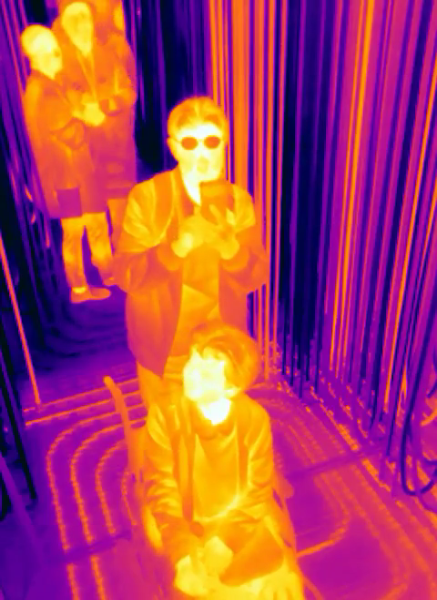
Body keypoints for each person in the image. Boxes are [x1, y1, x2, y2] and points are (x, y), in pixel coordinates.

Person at [113, 96, 268, 409]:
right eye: (189, 142)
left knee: (215, 423)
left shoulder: (238, 201)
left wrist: (230, 248)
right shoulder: (148, 198)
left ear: (224, 143)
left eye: (211, 141)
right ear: (174, 148)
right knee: (165, 426)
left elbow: (255, 277)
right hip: (164, 347)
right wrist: (178, 247)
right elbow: (127, 275)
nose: (202, 154)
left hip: (221, 348)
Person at [141, 322, 305, 599]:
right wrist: (182, 554)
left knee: (282, 585)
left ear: (231, 388)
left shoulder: (254, 419)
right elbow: (162, 488)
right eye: (192, 360)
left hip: (240, 522)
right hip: (184, 526)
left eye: (206, 373)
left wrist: (227, 539)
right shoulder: (165, 414)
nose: (191, 373)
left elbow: (257, 491)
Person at [21, 24, 112, 303]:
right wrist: (87, 117)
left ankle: (108, 272)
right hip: (67, 181)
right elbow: (74, 134)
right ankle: (80, 289)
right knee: (74, 232)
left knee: (95, 223)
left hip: (76, 175)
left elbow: (75, 98)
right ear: (39, 55)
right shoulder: (44, 92)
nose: (58, 54)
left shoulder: (48, 85)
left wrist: (79, 108)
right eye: (53, 50)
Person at [54, 0, 137, 246]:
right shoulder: (60, 64)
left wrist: (103, 107)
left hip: (117, 147)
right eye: (73, 21)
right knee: (94, 220)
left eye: (84, 19)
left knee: (121, 213)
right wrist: (80, 110)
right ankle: (103, 262)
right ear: (65, 28)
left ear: (92, 22)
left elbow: (129, 93)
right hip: (84, 153)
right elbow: (59, 105)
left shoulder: (110, 53)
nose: (80, 26)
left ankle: (122, 253)